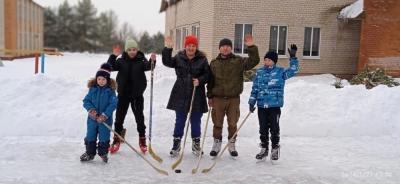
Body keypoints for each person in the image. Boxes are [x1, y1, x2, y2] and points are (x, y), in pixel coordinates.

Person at [207, 35, 260, 157]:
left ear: (231, 48)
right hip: (217, 98)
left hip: (233, 99)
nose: (225, 48)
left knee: (232, 123)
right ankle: (217, 143)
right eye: (223, 46)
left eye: (228, 46)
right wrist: (209, 96)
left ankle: (231, 144)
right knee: (217, 123)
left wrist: (251, 47)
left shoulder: (238, 61)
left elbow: (254, 61)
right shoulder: (214, 63)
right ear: (219, 48)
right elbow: (210, 81)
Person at [249, 44, 299, 161]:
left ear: (274, 61)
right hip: (261, 106)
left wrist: (293, 58)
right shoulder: (260, 72)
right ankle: (264, 148)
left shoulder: (280, 72)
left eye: (269, 60)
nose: (267, 62)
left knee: (274, 128)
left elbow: (293, 70)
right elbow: (255, 88)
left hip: (274, 106)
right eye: (265, 59)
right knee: (263, 128)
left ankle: (275, 149)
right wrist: (252, 102)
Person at [162, 35, 210, 156]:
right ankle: (176, 145)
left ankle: (196, 145)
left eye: (193, 46)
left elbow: (208, 75)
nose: (191, 48)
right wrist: (167, 48)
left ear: (196, 47)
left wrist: (200, 80)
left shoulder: (202, 59)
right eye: (189, 46)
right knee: (180, 121)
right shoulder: (179, 57)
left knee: (195, 121)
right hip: (180, 93)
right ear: (186, 46)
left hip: (196, 94)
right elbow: (167, 62)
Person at [107, 39, 156, 153]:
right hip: (123, 95)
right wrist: (113, 56)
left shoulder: (141, 60)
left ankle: (142, 139)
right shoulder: (121, 61)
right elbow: (110, 66)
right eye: (129, 50)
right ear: (126, 50)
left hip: (137, 95)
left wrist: (152, 60)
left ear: (137, 50)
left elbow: (149, 66)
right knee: (119, 118)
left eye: (134, 49)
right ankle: (116, 139)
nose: (132, 52)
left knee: (139, 118)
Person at [81, 63, 118, 163]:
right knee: (90, 136)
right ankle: (90, 153)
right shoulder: (92, 90)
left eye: (103, 79)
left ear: (108, 80)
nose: (101, 81)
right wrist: (91, 110)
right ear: (96, 79)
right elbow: (86, 101)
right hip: (92, 119)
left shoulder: (110, 91)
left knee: (104, 136)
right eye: (99, 79)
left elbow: (113, 104)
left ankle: (103, 153)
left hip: (104, 120)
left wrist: (105, 115)